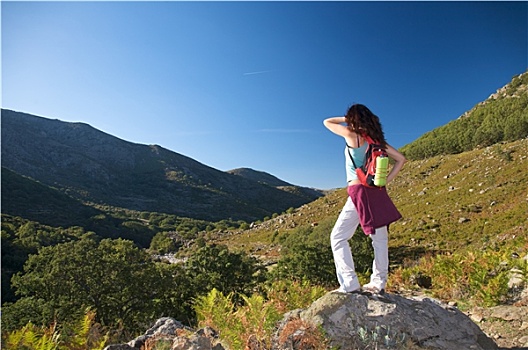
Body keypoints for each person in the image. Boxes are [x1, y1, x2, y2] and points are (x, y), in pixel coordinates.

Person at [323, 104, 406, 294]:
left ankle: (350, 283)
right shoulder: (377, 141)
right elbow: (401, 159)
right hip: (376, 191)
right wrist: (384, 180)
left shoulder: (353, 136)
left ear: (353, 119)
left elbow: (327, 122)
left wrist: (347, 120)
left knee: (338, 237)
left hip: (359, 191)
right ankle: (379, 282)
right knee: (380, 239)